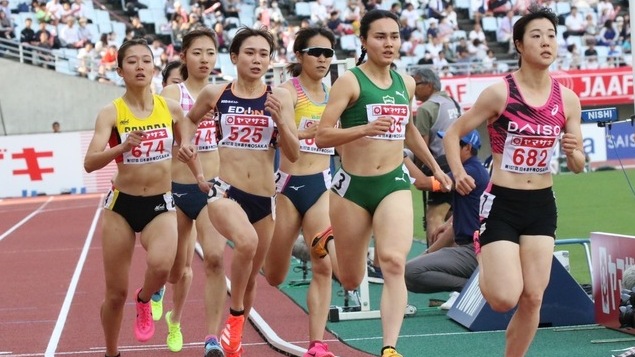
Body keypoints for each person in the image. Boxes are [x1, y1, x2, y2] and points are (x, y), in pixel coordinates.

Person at [443, 6, 585, 357]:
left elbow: (579, 164)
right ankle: (482, 243)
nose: (546, 42)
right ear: (519, 45)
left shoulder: (567, 100)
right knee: (504, 297)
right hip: (502, 202)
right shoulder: (500, 93)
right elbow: (453, 133)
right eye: (536, 36)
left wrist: (573, 151)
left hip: (541, 203)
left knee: (534, 296)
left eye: (551, 35)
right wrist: (458, 172)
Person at [314, 9, 452, 357]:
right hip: (352, 190)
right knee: (351, 278)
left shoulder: (405, 83)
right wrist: (363, 129)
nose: (389, 43)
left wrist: (435, 167)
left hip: (392, 182)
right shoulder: (349, 82)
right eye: (380, 36)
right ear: (363, 41)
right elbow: (322, 136)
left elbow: (408, 131)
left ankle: (389, 347)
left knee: (392, 261)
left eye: (394, 36)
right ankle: (326, 242)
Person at [177, 26, 299, 357]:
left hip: (264, 197)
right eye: (250, 53)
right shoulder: (216, 93)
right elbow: (188, 121)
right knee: (246, 242)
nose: (257, 60)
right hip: (224, 190)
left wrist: (282, 121)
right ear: (234, 57)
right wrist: (187, 143)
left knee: (250, 279)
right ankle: (231, 319)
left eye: (264, 54)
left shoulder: (280, 97)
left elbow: (294, 153)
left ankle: (235, 337)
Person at [83, 38, 187, 357]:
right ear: (120, 70)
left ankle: (145, 301)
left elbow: (187, 146)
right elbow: (90, 162)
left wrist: (192, 162)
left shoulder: (170, 108)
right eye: (132, 61)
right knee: (115, 294)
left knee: (161, 265)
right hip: (122, 206)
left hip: (160, 202)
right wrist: (121, 148)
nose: (140, 66)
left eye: (146, 60)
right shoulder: (110, 113)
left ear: (155, 68)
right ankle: (111, 352)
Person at [262, 27, 339, 357]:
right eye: (316, 52)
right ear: (299, 55)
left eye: (328, 53)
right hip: (289, 186)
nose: (323, 59)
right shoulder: (285, 92)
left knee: (324, 266)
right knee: (274, 276)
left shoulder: (335, 94)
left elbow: (340, 139)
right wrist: (300, 131)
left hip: (321, 185)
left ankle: (317, 344)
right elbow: (288, 148)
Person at [157, 28, 229, 355]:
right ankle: (174, 314)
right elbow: (173, 118)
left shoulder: (225, 92)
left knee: (214, 258)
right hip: (176, 189)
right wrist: (195, 116)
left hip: (211, 187)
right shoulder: (173, 92)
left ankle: (211, 337)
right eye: (197, 52)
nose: (204, 59)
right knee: (176, 270)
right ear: (184, 56)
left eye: (210, 53)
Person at [403, 130, 489, 309]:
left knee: (410, 272)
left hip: (474, 250)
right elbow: (458, 225)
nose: (445, 148)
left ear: (467, 148)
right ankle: (473, 287)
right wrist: (427, 254)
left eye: (452, 144)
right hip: (474, 248)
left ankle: (474, 289)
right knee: (410, 274)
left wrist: (400, 155)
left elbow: (423, 183)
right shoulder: (473, 169)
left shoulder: (469, 171)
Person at [411, 67, 461, 248]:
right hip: (457, 166)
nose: (414, 88)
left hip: (439, 168)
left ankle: (433, 259)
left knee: (434, 216)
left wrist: (416, 169)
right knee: (451, 217)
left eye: (416, 84)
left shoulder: (426, 108)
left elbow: (421, 147)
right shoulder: (453, 103)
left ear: (429, 85)